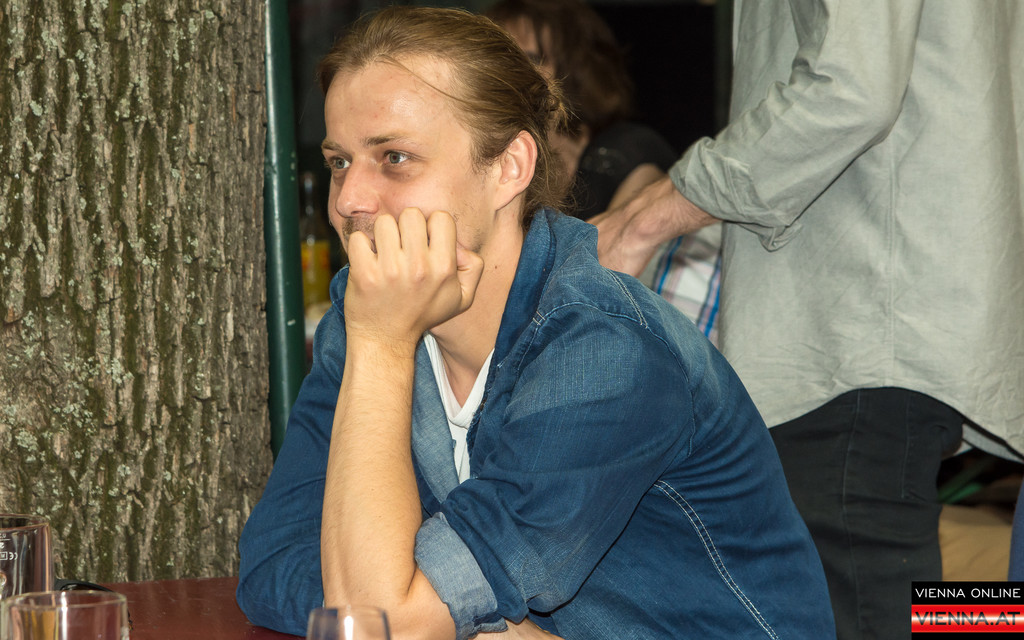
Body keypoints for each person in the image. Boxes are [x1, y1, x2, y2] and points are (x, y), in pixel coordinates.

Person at [236, 7, 835, 640]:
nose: (350, 199)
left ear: (509, 167)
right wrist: (471, 623)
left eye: (395, 157)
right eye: (339, 161)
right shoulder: (364, 316)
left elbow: (383, 623)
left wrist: (384, 344)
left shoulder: (604, 348)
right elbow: (274, 565)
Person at [593, 2, 1024, 639]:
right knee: (909, 590)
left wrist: (641, 220)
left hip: (853, 328)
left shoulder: (627, 214)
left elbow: (850, 88)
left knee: (884, 594)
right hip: (889, 326)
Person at [486, 0, 722, 345]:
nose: (512, 73)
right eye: (502, 58)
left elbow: (605, 279)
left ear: (577, 69)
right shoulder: (493, 162)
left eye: (532, 58)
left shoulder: (627, 149)